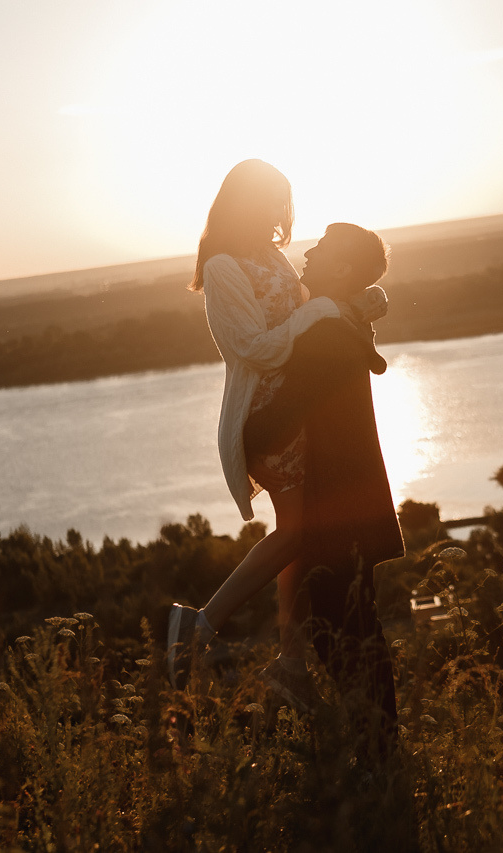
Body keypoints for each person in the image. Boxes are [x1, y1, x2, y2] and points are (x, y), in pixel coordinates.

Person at [167, 161, 385, 690]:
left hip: (297, 408)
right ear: (241, 203)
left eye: (280, 204)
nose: (277, 215)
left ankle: (289, 661)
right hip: (266, 414)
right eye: (268, 202)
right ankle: (198, 625)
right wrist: (329, 309)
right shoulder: (221, 267)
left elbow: (313, 309)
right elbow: (254, 348)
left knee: (300, 533)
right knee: (297, 531)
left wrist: (363, 301)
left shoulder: (271, 257)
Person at [243, 221, 406, 748]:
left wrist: (240, 440)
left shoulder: (327, 334)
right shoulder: (341, 323)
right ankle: (378, 747)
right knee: (353, 625)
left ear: (341, 268)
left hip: (339, 506)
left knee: (345, 630)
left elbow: (287, 412)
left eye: (322, 251)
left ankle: (377, 749)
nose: (308, 255)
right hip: (351, 504)